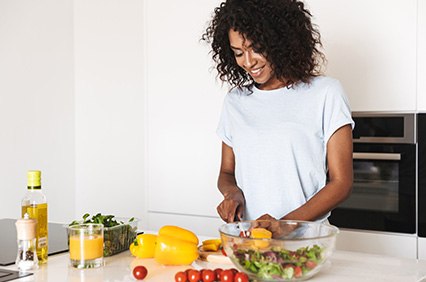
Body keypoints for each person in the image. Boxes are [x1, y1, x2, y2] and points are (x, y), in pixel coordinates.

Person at [202, 0, 354, 226]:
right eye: (238, 52)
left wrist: (284, 225)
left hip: (306, 242)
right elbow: (226, 172)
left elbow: (341, 183)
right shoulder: (236, 101)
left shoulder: (325, 93)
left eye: (256, 48)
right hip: (252, 240)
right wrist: (232, 194)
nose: (248, 61)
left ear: (279, 41)